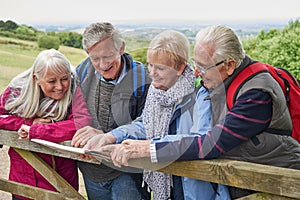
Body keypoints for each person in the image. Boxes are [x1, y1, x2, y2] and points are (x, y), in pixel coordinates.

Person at [95, 25, 300, 198]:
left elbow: (210, 142)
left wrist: (147, 149)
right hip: (245, 179)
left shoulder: (257, 94)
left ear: (229, 64)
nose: (195, 73)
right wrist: (115, 135)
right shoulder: (219, 81)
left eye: (203, 66)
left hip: (277, 183)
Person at [84, 30, 231, 200]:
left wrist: (149, 147)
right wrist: (111, 136)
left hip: (193, 187)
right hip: (167, 183)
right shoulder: (156, 92)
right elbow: (145, 125)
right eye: (150, 65)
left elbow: (200, 140)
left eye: (160, 68)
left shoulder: (201, 95)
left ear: (180, 68)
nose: (152, 73)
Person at [70, 22, 151, 200]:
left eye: (108, 56)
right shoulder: (83, 70)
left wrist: (107, 135)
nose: (102, 64)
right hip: (92, 169)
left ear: (121, 48)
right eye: (95, 58)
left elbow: (149, 125)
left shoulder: (143, 78)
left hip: (127, 171)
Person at [0, 49, 92, 200]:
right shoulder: (17, 91)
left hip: (61, 181)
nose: (60, 86)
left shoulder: (74, 90)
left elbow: (81, 122)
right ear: (36, 78)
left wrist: (37, 130)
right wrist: (26, 123)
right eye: (51, 81)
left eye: (64, 78)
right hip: (23, 178)